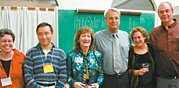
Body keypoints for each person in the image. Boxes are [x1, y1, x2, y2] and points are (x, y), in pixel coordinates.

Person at [95, 8, 130, 88]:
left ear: (119, 20)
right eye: (110, 18)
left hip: (124, 78)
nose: (114, 21)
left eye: (116, 18)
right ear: (106, 20)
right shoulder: (97, 36)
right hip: (106, 79)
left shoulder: (126, 35)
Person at [24, 22, 67, 88]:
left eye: (46, 33)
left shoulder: (61, 54)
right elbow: (27, 75)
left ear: (52, 34)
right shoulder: (30, 53)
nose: (43, 37)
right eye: (40, 34)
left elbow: (63, 75)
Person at [149, 1, 179, 88]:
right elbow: (150, 54)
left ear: (172, 11)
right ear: (158, 14)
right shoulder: (154, 33)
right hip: (161, 80)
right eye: (161, 12)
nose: (164, 14)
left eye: (167, 11)